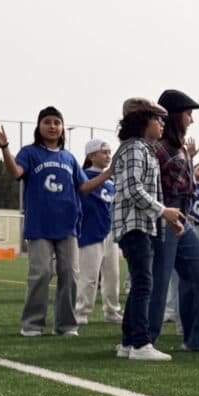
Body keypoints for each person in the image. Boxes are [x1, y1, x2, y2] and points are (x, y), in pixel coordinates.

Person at [0, 107, 110, 338]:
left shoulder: (69, 158)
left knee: (70, 275)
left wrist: (109, 173)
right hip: (40, 226)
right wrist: (5, 149)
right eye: (47, 122)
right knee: (41, 273)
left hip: (68, 226)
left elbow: (83, 187)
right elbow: (15, 172)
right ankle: (32, 324)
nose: (52, 126)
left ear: (62, 128)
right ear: (39, 126)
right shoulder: (30, 153)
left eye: (57, 122)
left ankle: (65, 325)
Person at [110, 97, 184, 361]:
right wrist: (163, 211)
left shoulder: (144, 150)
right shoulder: (135, 150)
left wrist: (166, 217)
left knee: (141, 282)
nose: (162, 124)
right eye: (157, 119)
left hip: (142, 224)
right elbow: (133, 189)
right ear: (143, 121)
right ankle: (141, 343)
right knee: (143, 283)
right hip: (134, 225)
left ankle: (128, 342)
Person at [147, 89, 199, 352]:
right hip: (165, 215)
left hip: (182, 217)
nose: (191, 120)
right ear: (176, 115)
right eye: (188, 114)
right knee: (159, 277)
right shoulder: (158, 148)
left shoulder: (177, 148)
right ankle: (143, 339)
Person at [75, 138, 122, 326]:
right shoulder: (82, 175)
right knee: (89, 276)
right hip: (91, 231)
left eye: (110, 152)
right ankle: (81, 311)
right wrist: (109, 173)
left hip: (110, 232)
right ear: (91, 155)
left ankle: (112, 310)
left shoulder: (111, 181)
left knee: (112, 276)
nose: (108, 156)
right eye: (104, 152)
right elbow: (84, 192)